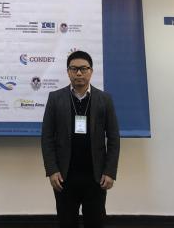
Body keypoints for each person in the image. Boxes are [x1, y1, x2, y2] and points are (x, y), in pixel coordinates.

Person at [41, 51, 120, 228]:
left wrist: (110, 171)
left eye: (83, 69)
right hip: (64, 177)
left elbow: (114, 138)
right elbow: (47, 137)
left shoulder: (104, 99)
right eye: (74, 69)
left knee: (95, 222)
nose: (79, 73)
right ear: (68, 71)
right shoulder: (55, 98)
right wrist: (52, 170)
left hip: (96, 176)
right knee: (66, 222)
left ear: (91, 71)